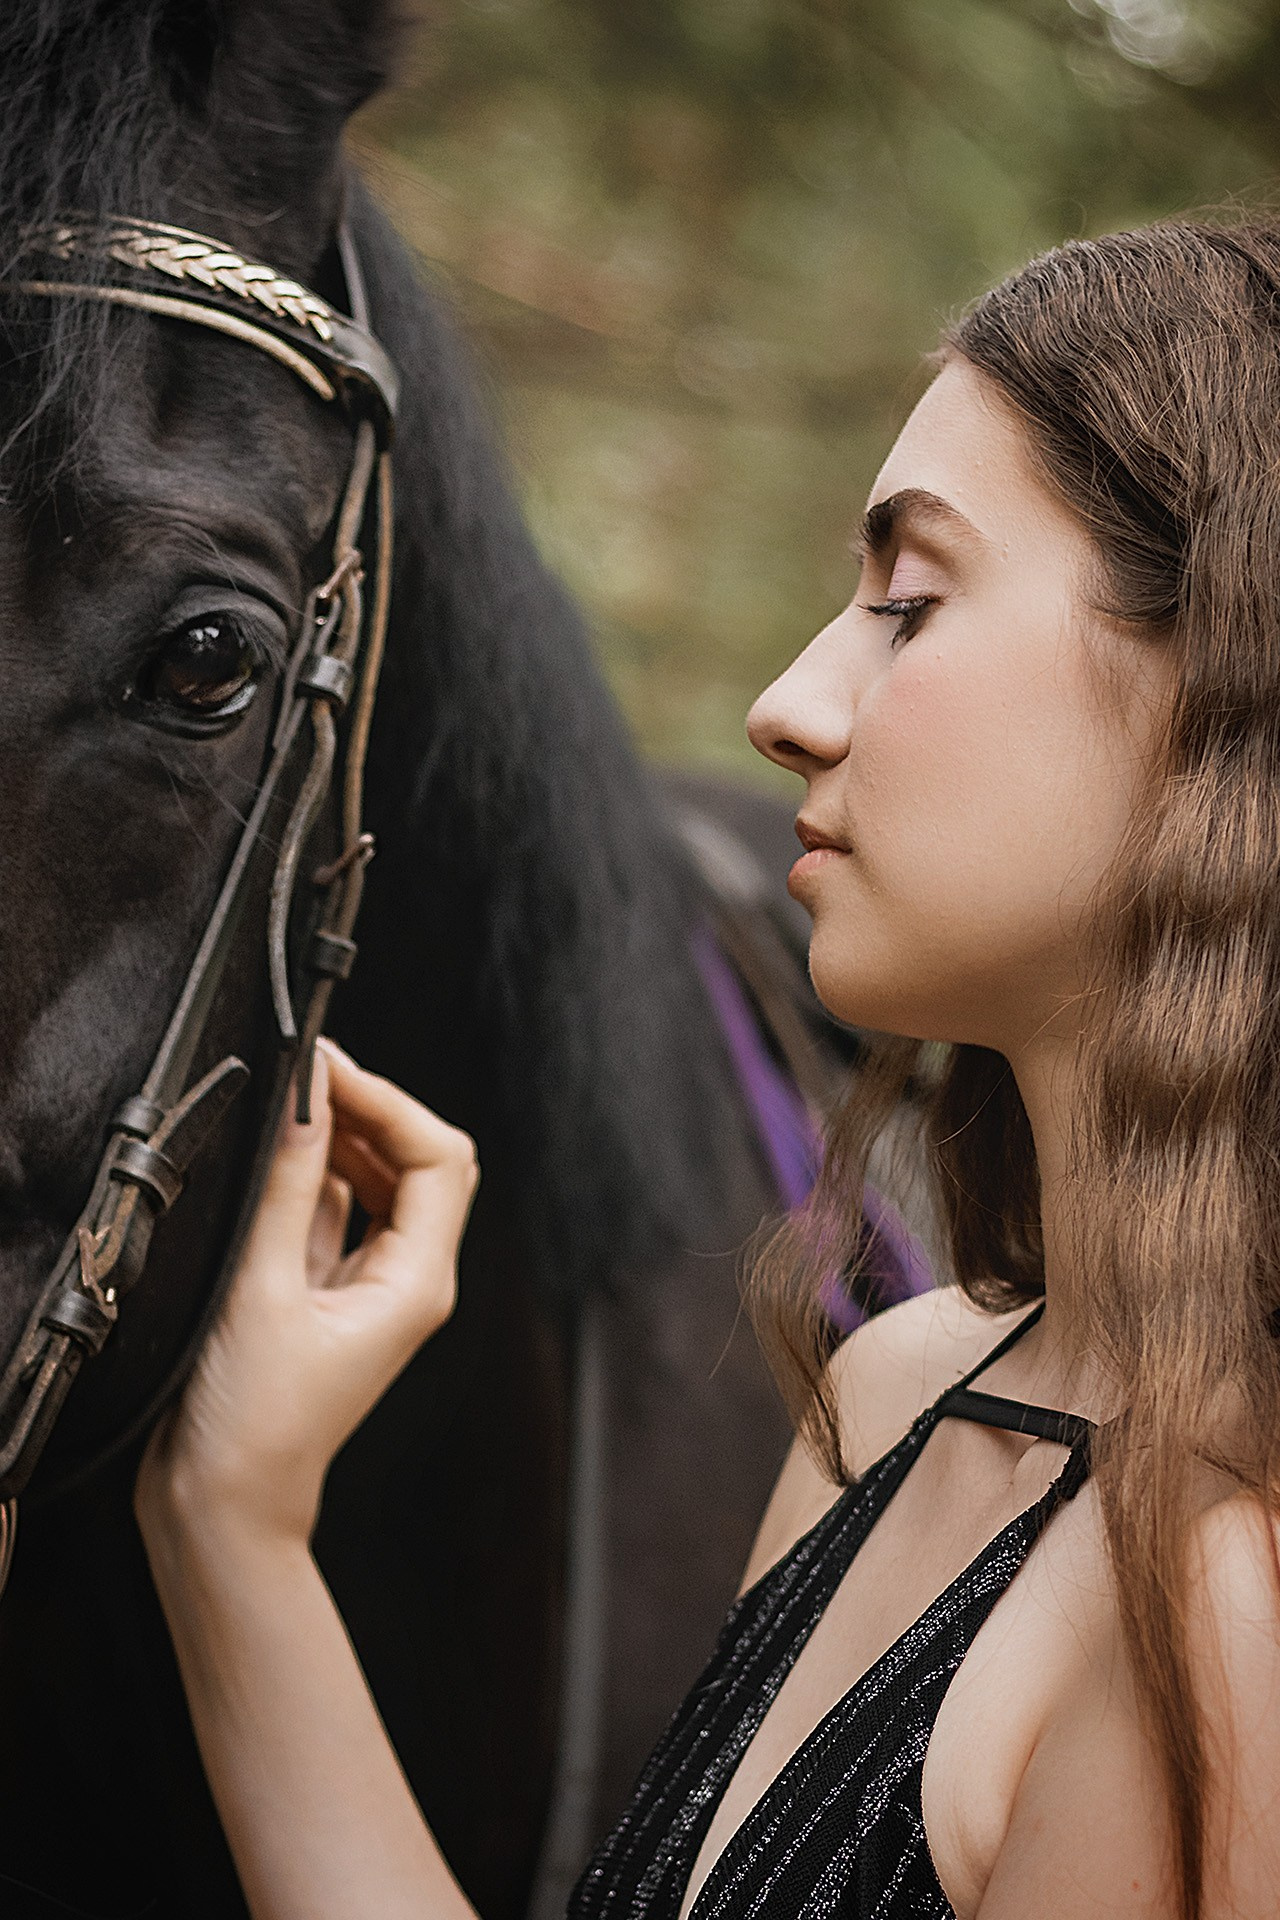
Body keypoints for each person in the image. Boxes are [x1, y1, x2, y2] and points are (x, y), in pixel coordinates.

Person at [134, 220, 1280, 1920]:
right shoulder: (897, 1396)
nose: (787, 705)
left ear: (1227, 687)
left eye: (909, 604)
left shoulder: (1219, 1619)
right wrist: (228, 1521)